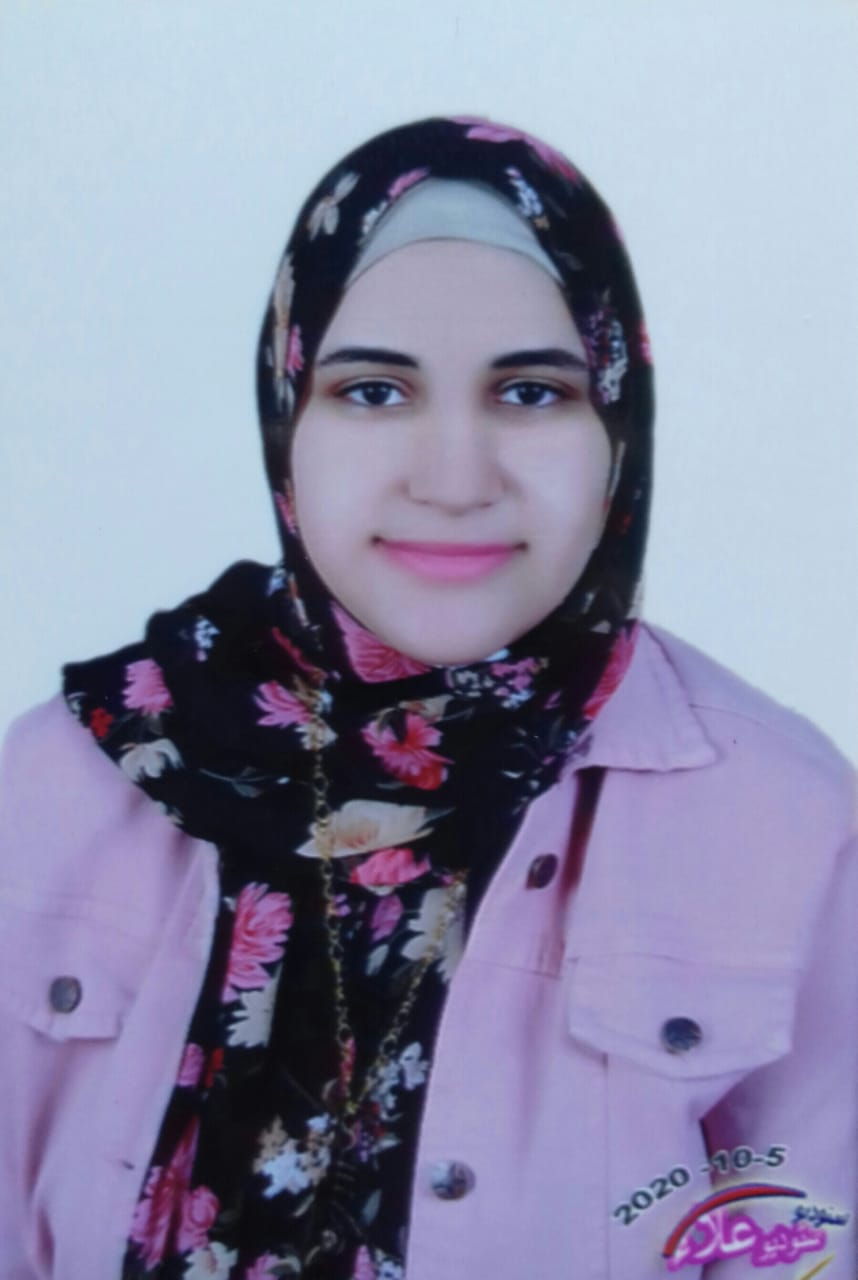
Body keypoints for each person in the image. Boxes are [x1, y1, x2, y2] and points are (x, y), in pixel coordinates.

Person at [0, 116, 855, 1280]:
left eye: (532, 392)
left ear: (617, 423)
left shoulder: (783, 824)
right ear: (286, 416)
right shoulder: (63, 783)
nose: (454, 478)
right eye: (373, 391)